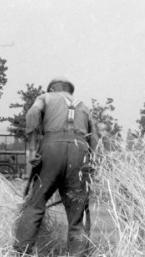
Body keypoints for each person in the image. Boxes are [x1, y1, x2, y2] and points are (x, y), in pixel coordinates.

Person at [15, 77, 97, 256]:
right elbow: (95, 138)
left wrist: (32, 147)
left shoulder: (46, 97)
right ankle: (79, 254)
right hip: (80, 150)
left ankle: (22, 252)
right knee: (77, 214)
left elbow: (32, 115)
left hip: (51, 148)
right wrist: (92, 164)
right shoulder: (84, 106)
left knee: (35, 205)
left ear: (52, 88)